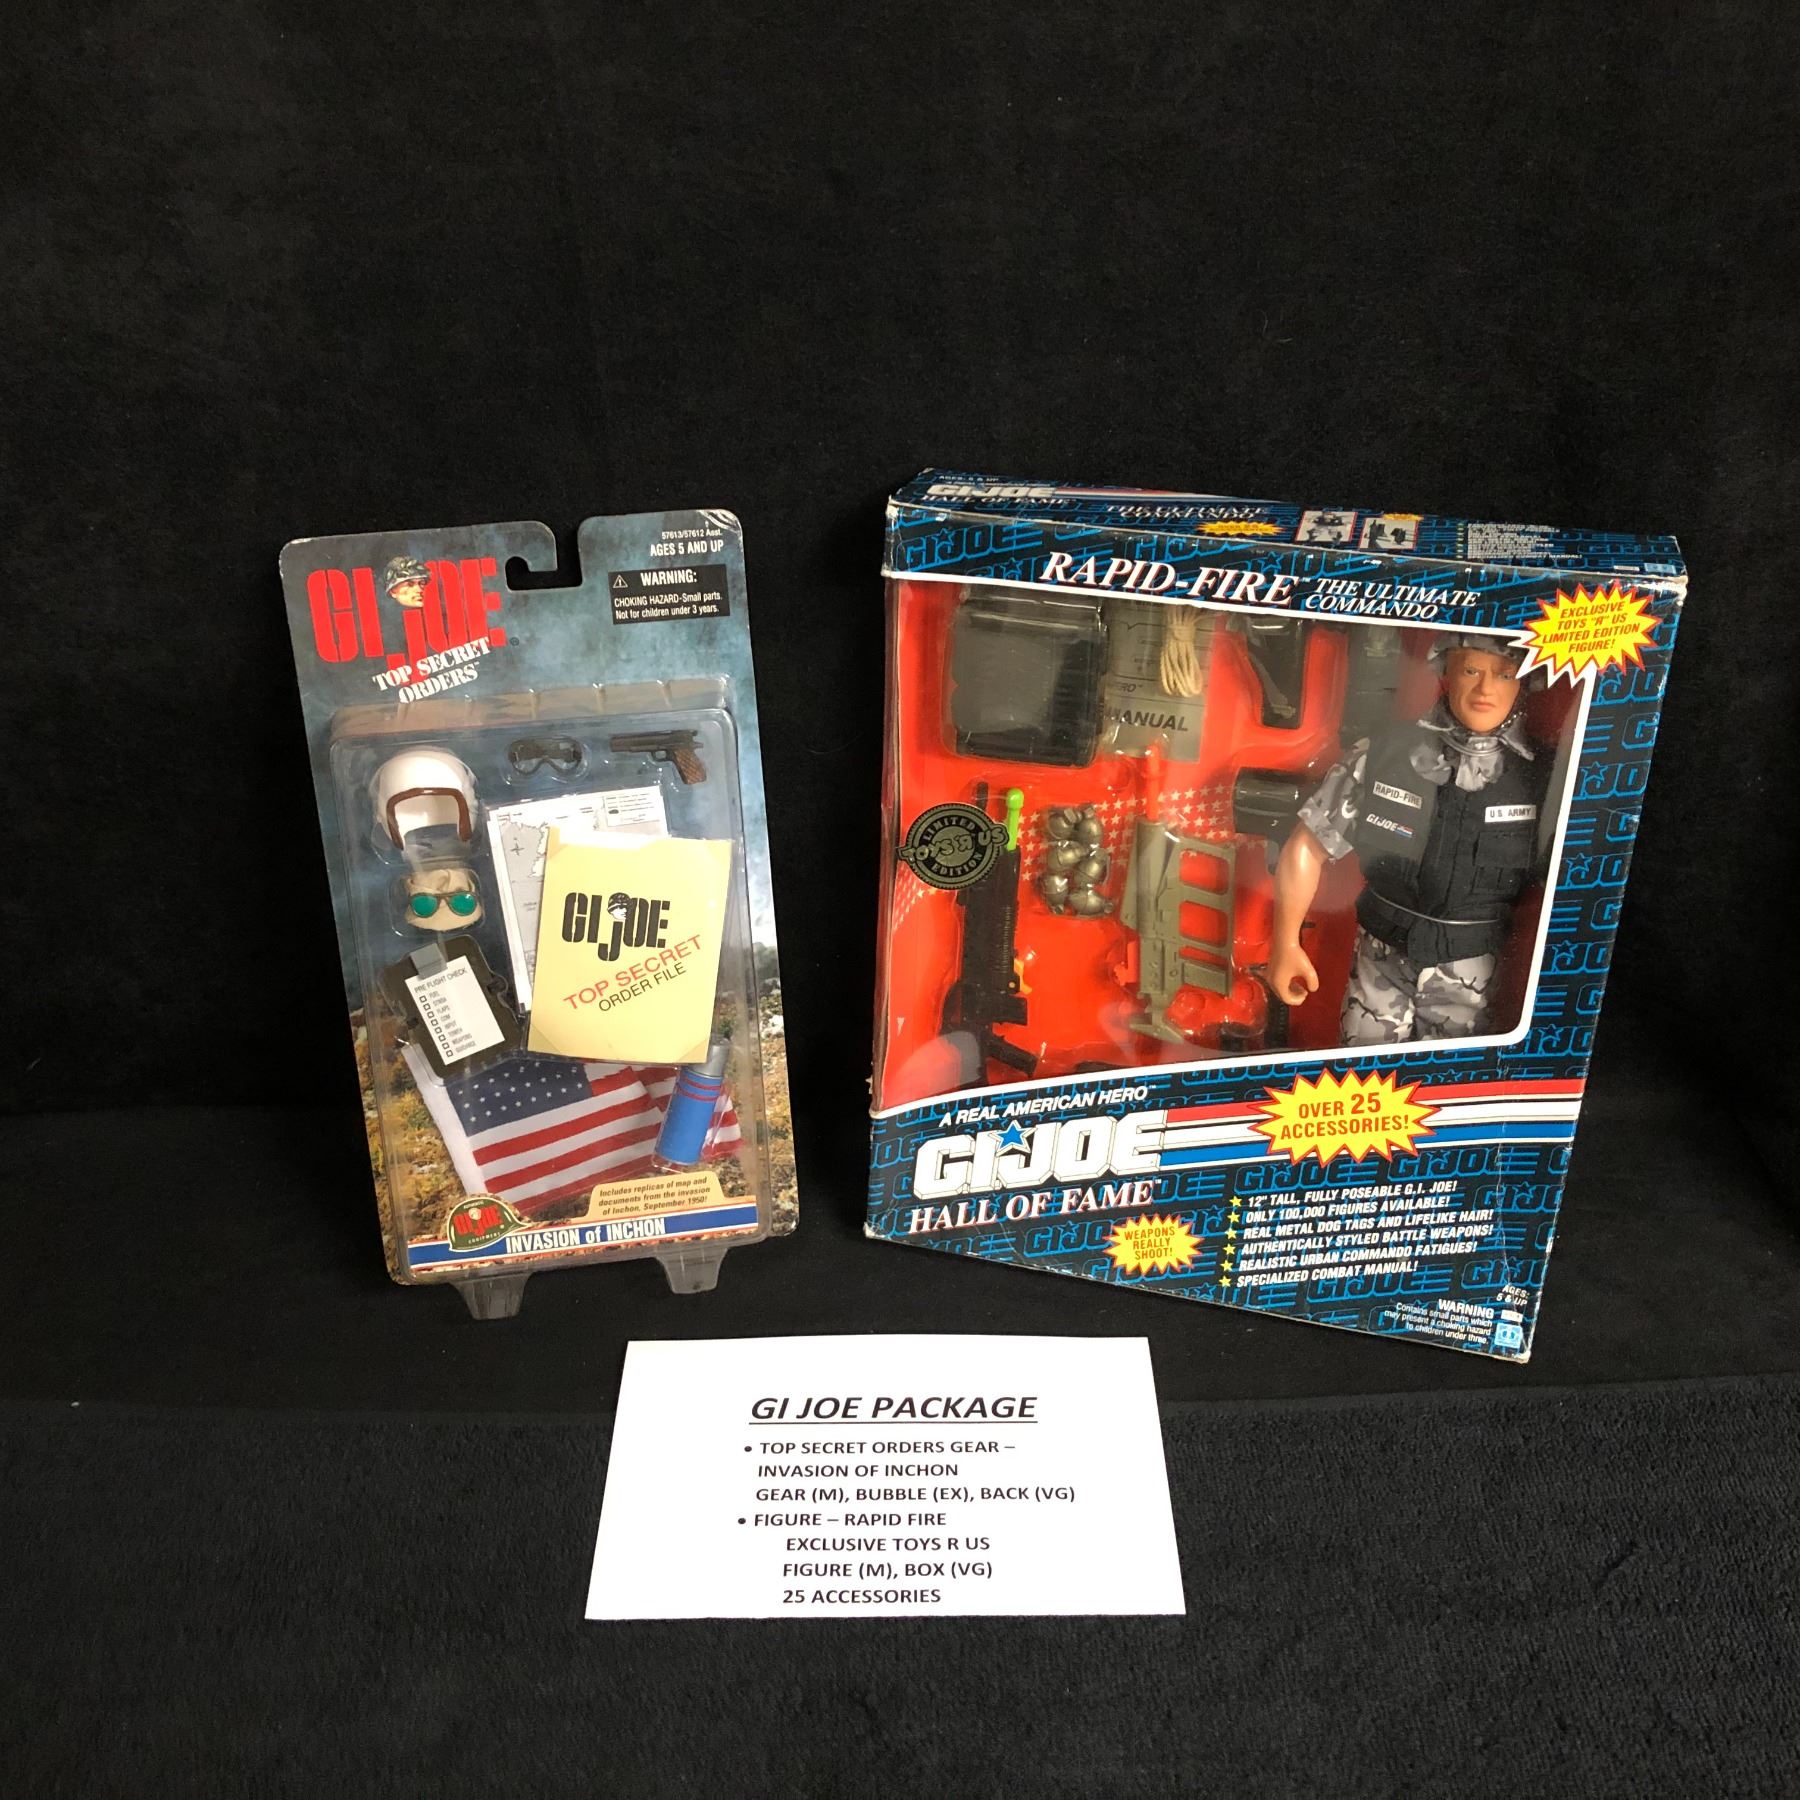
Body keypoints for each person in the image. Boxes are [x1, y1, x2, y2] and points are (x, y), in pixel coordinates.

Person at [1268, 635, 1550, 1045]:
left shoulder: (1542, 779)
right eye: (1471, 670)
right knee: (1363, 1075)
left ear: (1523, 682)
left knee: (1453, 1080)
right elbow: (1307, 846)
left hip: (1471, 974)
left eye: (1504, 674)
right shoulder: (1384, 755)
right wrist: (1284, 943)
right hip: (1381, 961)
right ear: (1446, 670)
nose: (1486, 689)